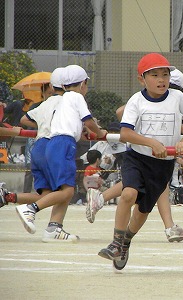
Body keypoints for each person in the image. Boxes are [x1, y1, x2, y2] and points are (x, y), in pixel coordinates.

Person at [98, 53, 183, 270]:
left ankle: (126, 242)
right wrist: (151, 142)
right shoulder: (136, 100)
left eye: (165, 74)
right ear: (142, 79)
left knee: (143, 210)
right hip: (137, 159)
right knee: (128, 193)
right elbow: (125, 133)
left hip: (163, 165)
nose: (161, 79)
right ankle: (116, 242)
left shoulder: (177, 98)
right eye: (154, 75)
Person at [14, 65, 107, 243]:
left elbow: (72, 124)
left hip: (50, 144)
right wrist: (100, 132)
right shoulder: (76, 97)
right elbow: (87, 120)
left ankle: (54, 228)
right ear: (83, 84)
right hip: (63, 144)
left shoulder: (61, 100)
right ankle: (31, 209)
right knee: (67, 191)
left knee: (62, 189)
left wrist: (83, 129)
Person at [0, 69, 65, 209]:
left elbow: (24, 119)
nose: (50, 94)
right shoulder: (51, 104)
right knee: (64, 192)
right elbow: (24, 119)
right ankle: (49, 222)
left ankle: (8, 196)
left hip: (40, 145)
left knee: (47, 196)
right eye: (48, 92)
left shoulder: (47, 104)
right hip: (48, 145)